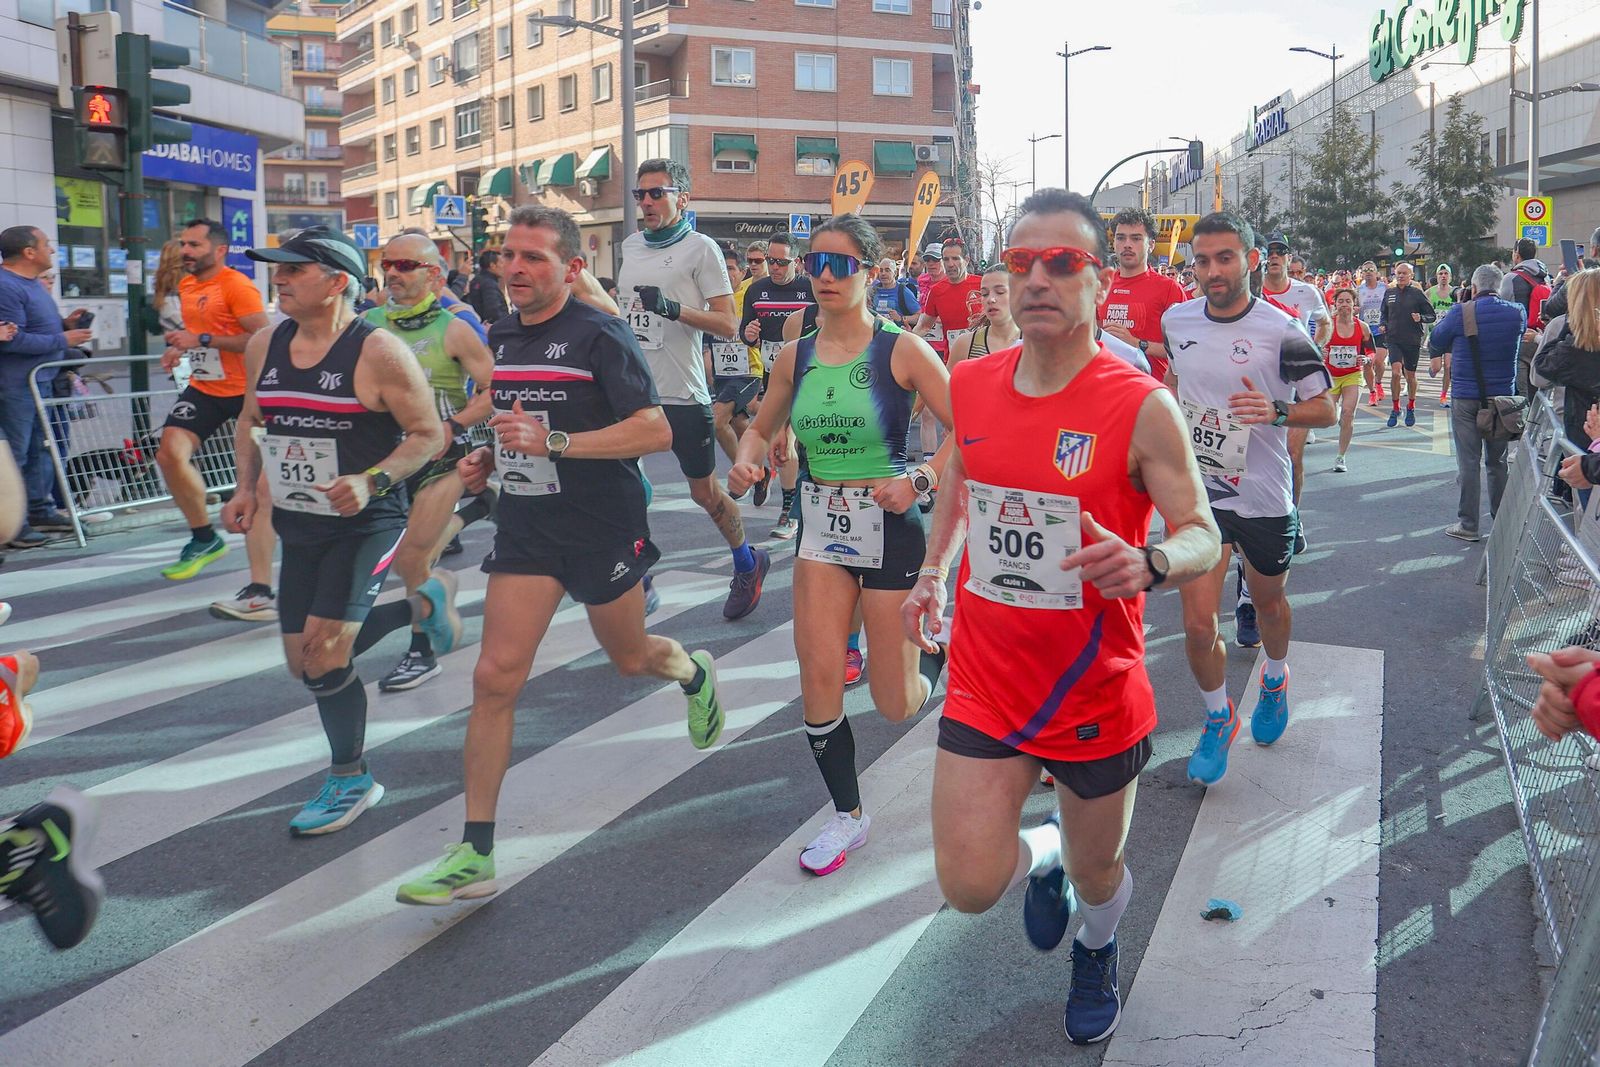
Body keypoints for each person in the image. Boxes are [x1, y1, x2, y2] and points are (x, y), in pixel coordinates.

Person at [902, 188, 1221, 1045]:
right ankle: (1038, 857)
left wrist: (1150, 561)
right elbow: (964, 485)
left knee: (1100, 865)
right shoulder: (969, 385)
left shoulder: (1139, 403)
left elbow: (1203, 532)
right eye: (1021, 261)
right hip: (986, 671)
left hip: (1093, 683)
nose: (1038, 277)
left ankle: (1095, 943)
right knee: (968, 885)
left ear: (1099, 287)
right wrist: (933, 570)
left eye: (1063, 262)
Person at [394, 206, 723, 904]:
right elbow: (520, 416)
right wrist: (488, 453)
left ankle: (693, 672)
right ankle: (474, 850)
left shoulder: (600, 334)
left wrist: (559, 445)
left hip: (601, 524)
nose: (515, 268)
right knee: (494, 676)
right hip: (529, 526)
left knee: (631, 658)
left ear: (571, 268)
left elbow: (654, 429)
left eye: (533, 257)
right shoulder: (503, 334)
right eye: (508, 256)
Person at [729, 215, 952, 876]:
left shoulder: (902, 351)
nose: (823, 276)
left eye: (840, 265)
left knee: (894, 702)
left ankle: (940, 650)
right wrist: (747, 459)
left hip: (890, 528)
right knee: (819, 676)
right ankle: (847, 815)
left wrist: (918, 477)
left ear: (873, 273)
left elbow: (971, 431)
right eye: (815, 263)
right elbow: (761, 424)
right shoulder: (796, 351)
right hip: (821, 530)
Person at [223, 226, 458, 836]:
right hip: (301, 522)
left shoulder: (377, 351)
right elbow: (251, 418)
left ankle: (350, 777)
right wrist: (246, 486)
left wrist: (374, 480)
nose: (279, 278)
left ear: (335, 283)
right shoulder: (266, 345)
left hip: (366, 521)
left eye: (293, 269)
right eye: (277, 268)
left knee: (326, 655)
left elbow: (429, 435)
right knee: (303, 664)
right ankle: (421, 605)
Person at [1163, 211, 1335, 788]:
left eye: (1225, 258)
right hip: (1202, 494)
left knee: (1268, 606)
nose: (1212, 271)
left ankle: (1276, 676)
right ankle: (1218, 718)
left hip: (1263, 493)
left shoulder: (1284, 330)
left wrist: (1276, 410)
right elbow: (1175, 385)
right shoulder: (1176, 319)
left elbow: (1326, 408)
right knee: (1194, 623)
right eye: (1202, 261)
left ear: (1251, 260)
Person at [616, 158, 768, 620]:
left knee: (704, 494)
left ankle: (747, 562)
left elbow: (728, 324)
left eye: (656, 193)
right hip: (633, 392)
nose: (646, 202)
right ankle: (639, 572)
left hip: (683, 393)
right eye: (640, 194)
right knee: (619, 484)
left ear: (682, 198)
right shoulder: (630, 245)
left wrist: (673, 309)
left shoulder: (701, 249)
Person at [363, 233, 498, 692]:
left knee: (412, 559)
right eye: (388, 265)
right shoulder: (368, 324)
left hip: (440, 459)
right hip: (387, 460)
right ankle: (478, 510)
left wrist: (454, 427)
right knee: (394, 557)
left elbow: (495, 390)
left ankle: (421, 652)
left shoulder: (454, 328)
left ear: (434, 275)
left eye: (404, 265)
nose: (393, 274)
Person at [155, 219, 277, 585]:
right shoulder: (188, 284)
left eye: (194, 245)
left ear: (219, 250)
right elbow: (196, 337)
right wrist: (178, 348)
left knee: (259, 485)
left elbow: (264, 337)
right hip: (206, 387)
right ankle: (203, 539)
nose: (185, 252)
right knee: (169, 454)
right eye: (183, 244)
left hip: (247, 392)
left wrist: (203, 340)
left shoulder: (236, 286)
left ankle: (262, 579)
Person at [0, 225, 94, 548]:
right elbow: (11, 341)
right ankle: (14, 522)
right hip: (17, 384)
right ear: (29, 252)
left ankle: (40, 510)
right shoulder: (7, 286)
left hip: (42, 380)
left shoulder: (31, 285)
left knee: (42, 448)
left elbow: (28, 328)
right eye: (46, 245)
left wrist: (65, 325)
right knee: (16, 453)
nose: (51, 250)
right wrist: (61, 339)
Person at [1428, 264, 1525, 541]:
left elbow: (1436, 338)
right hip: (1503, 402)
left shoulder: (1461, 312)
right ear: (1500, 287)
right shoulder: (1516, 313)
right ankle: (1502, 523)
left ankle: (1469, 525)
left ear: (1473, 287)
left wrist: (1461, 308)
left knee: (1469, 461)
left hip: (1466, 397)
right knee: (1498, 462)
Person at [738, 230, 813, 535]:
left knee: (799, 443)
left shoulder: (810, 289)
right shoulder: (757, 291)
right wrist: (749, 334)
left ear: (796, 261)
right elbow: (744, 331)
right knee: (785, 442)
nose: (776, 267)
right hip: (774, 376)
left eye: (782, 262)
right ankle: (789, 510)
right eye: (771, 261)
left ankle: (807, 503)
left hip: (809, 375)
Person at [1097, 208, 1188, 381]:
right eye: (1121, 237)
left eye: (1136, 238)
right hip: (1108, 389)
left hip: (1152, 392)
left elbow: (1185, 349)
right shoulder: (1101, 286)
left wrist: (1137, 344)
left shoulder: (1169, 288)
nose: (1127, 244)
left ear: (1151, 245)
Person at [912, 237, 982, 460]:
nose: (950, 264)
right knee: (945, 418)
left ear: (966, 260)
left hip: (983, 362)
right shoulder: (937, 291)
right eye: (946, 259)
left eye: (955, 258)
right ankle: (937, 470)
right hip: (954, 365)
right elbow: (924, 325)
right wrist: (898, 342)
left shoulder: (982, 285)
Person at [1321, 288, 1378, 472]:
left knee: (1348, 413)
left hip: (1352, 374)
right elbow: (1314, 346)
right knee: (1329, 417)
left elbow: (1371, 351)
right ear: (1335, 305)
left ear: (1354, 306)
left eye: (1348, 301)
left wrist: (1367, 359)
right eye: (1341, 301)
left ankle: (1340, 457)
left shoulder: (1362, 327)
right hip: (1330, 376)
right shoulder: (1328, 325)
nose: (1344, 304)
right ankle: (1335, 414)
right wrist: (1320, 352)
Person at [1379, 263, 1437, 427]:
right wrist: (1383, 324)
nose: (1401, 276)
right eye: (1398, 273)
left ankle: (1410, 407)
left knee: (1410, 376)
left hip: (1411, 339)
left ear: (1411, 275)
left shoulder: (1417, 294)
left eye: (1404, 273)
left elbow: (1431, 315)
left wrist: (1421, 318)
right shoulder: (1389, 293)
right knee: (1396, 373)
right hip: (1393, 338)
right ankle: (1395, 408)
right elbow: (1384, 313)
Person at [946, 265, 1017, 370]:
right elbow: (946, 384)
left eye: (1000, 292)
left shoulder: (1035, 344)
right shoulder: (965, 344)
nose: (990, 299)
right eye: (985, 294)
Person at [1356, 261, 1388, 404]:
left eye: (1371, 270)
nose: (1368, 272)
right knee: (1368, 363)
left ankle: (1379, 383)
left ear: (1376, 273)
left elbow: (1389, 307)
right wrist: (1355, 309)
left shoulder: (1384, 288)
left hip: (1381, 329)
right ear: (1362, 273)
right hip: (1366, 332)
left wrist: (1386, 323)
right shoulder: (1359, 290)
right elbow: (1355, 306)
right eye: (1365, 270)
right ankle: (1372, 392)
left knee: (1379, 362)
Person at [1426, 265, 1457, 406]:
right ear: (1437, 276)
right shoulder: (1429, 293)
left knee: (1449, 366)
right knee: (1436, 368)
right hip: (1436, 335)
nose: (1443, 276)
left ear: (1450, 276)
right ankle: (1432, 369)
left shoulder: (1455, 293)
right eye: (1440, 274)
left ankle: (1443, 396)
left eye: (1446, 273)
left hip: (1450, 335)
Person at [871, 256, 921, 327]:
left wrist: (901, 318)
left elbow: (919, 316)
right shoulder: (873, 291)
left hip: (897, 335)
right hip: (876, 335)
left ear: (895, 273)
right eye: (881, 270)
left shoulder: (903, 291)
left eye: (887, 270)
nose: (883, 273)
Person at [466, 249, 510, 326]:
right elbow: (494, 311)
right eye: (501, 263)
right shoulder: (489, 284)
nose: (504, 266)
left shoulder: (476, 280)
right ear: (492, 265)